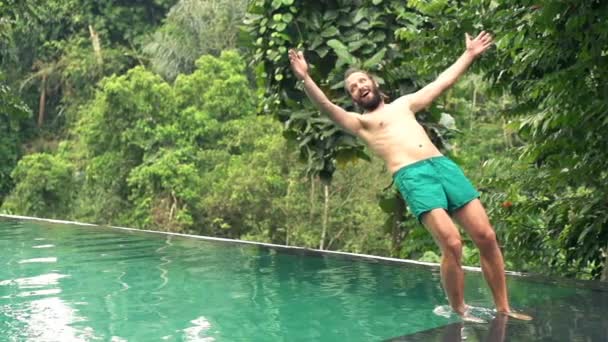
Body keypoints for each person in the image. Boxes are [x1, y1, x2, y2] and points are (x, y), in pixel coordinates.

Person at [288, 31, 532, 321]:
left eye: (362, 81)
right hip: (413, 177)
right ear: (353, 98)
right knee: (453, 244)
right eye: (353, 87)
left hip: (442, 167)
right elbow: (326, 107)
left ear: (374, 84)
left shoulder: (403, 104)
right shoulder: (361, 123)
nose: (359, 86)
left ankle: (504, 309)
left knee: (486, 236)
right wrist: (305, 78)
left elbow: (441, 83)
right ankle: (460, 308)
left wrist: (469, 54)